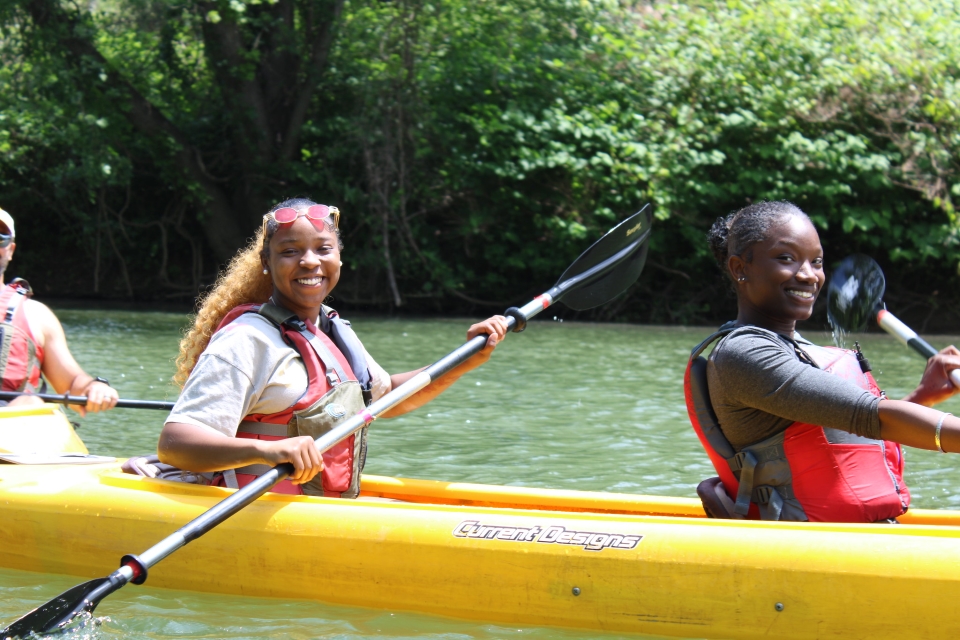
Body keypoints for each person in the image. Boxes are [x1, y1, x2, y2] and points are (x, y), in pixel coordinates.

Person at [158, 198, 509, 497]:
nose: (309, 261)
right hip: (249, 510)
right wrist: (267, 450)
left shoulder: (330, 328)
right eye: (289, 251)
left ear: (339, 256)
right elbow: (175, 444)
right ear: (267, 263)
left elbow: (387, 400)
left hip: (319, 508)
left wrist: (464, 361)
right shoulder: (246, 339)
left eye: (323, 249)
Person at [685, 200, 960, 523]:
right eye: (786, 258)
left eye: (816, 262)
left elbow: (853, 433)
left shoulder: (794, 348)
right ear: (739, 268)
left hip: (854, 535)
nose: (808, 275)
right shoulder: (744, 354)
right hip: (809, 541)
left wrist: (922, 396)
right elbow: (868, 415)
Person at [0, 207, 118, 415]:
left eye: (1, 237)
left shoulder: (37, 316)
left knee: (31, 403)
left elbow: (72, 383)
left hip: (9, 422)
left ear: (11, 250)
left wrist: (93, 388)